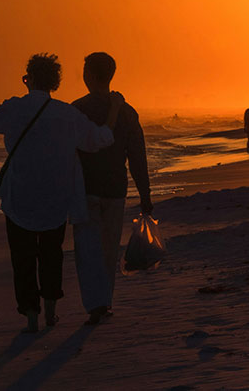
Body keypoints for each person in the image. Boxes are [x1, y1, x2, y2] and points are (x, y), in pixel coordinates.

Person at [0, 53, 121, 333]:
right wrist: (114, 111)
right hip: (55, 200)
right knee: (51, 255)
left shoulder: (14, 108)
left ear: (31, 79)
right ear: (54, 82)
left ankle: (31, 317)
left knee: (22, 259)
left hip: (19, 199)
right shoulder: (67, 114)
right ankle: (50, 312)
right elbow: (99, 139)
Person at [71, 52, 153, 325]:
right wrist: (145, 195)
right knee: (108, 249)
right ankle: (104, 301)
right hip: (116, 189)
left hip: (86, 190)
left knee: (87, 250)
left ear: (91, 75)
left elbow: (67, 154)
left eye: (84, 72)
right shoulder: (128, 113)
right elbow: (137, 156)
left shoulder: (77, 109)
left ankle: (95, 303)